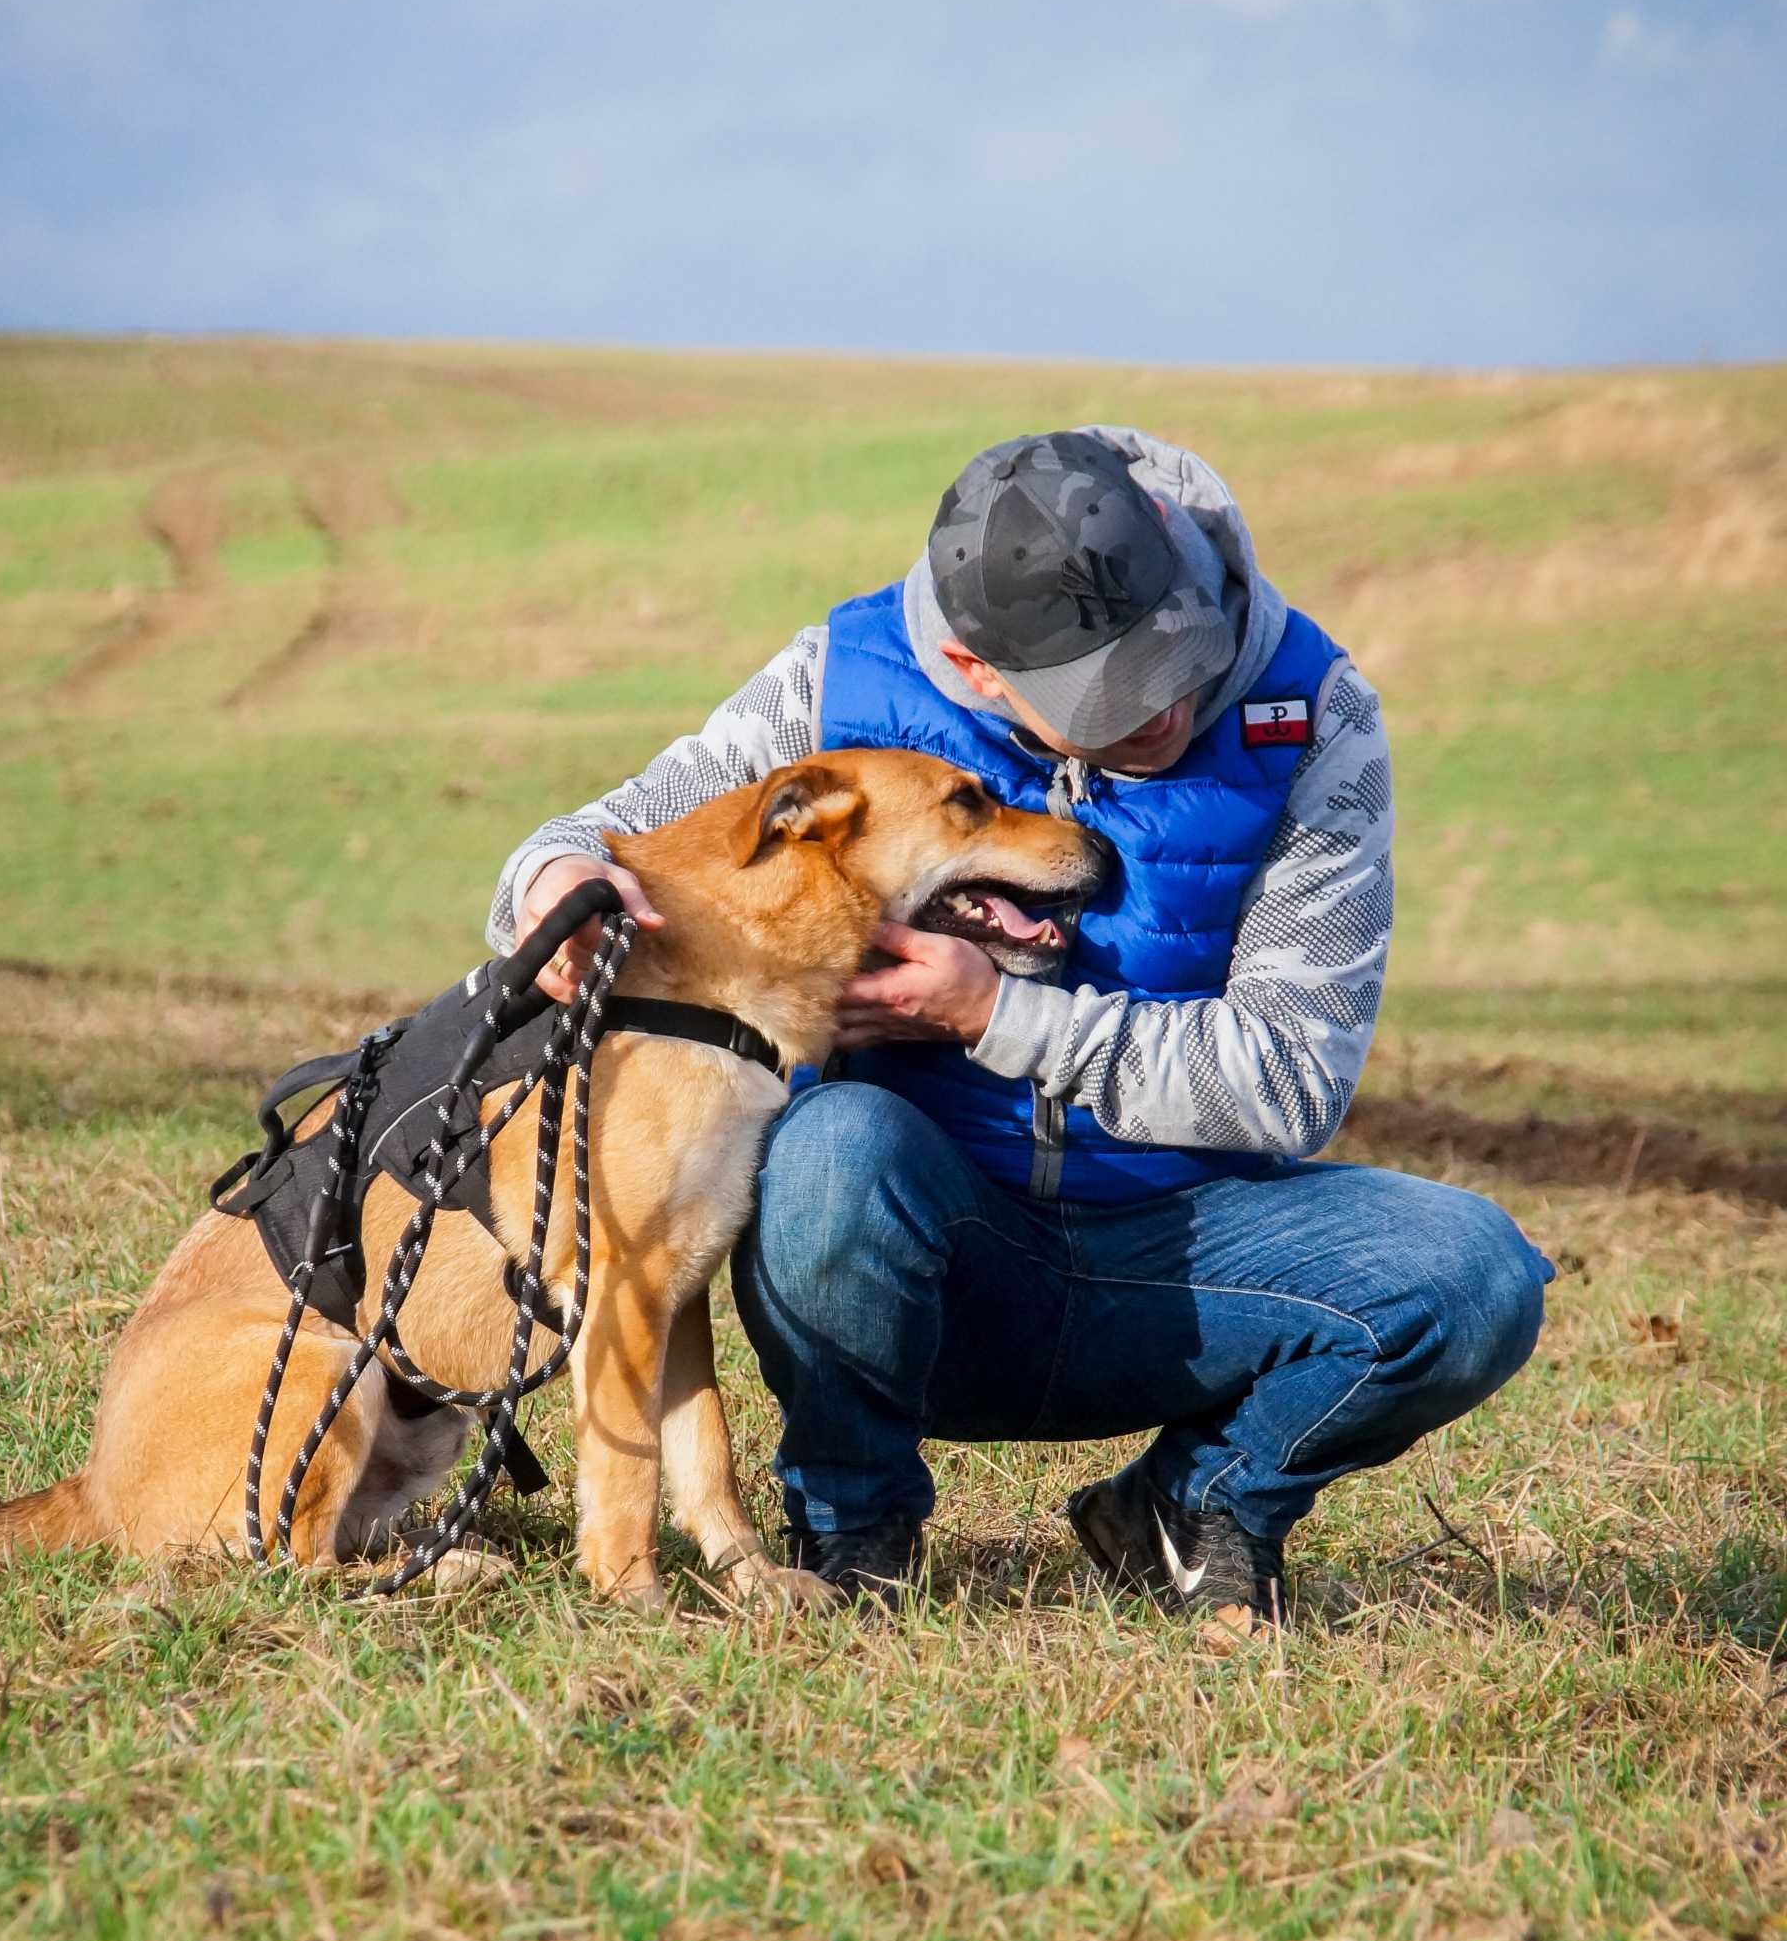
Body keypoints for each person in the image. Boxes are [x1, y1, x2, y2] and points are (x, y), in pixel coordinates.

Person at [490, 427, 1549, 1617]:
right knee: (829, 1146)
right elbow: (599, 842)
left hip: (1188, 1263)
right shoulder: (832, 679)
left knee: (1472, 1274)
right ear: (970, 664)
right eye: (1104, 694)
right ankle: (852, 1531)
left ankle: (1193, 1505)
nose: (1162, 707)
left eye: (1172, 656)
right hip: (917, 1256)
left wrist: (995, 1013)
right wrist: (547, 883)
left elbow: (1292, 1083)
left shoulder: (1313, 714)